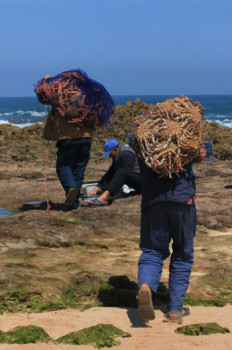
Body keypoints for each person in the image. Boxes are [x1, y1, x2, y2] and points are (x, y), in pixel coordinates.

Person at [137, 147, 206, 324]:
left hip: (153, 200)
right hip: (182, 200)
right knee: (183, 253)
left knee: (152, 250)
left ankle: (146, 286)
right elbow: (202, 154)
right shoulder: (189, 123)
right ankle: (175, 310)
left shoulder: (143, 128)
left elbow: (138, 155)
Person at [43, 107, 94, 210]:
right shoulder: (87, 98)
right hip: (86, 137)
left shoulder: (60, 98)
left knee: (63, 166)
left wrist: (48, 134)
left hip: (67, 138)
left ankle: (71, 188)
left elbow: (52, 116)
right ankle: (74, 204)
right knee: (78, 170)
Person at [88, 139, 141, 206]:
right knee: (118, 171)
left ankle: (103, 199)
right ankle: (104, 195)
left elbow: (123, 175)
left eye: (110, 154)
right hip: (135, 179)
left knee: (122, 172)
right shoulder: (118, 155)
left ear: (115, 150)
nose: (109, 156)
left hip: (142, 182)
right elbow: (110, 172)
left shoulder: (126, 154)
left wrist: (108, 190)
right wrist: (97, 188)